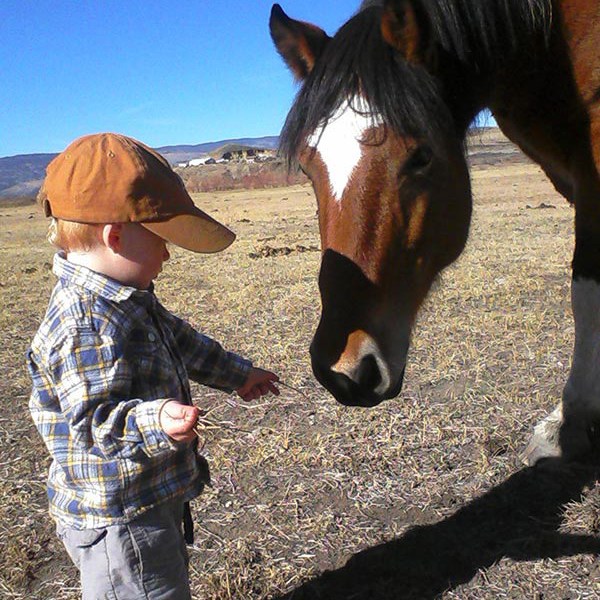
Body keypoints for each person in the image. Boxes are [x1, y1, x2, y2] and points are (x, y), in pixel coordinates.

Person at [26, 132, 280, 599]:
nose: (167, 253)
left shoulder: (128, 299)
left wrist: (238, 374)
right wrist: (155, 418)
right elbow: (94, 422)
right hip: (120, 520)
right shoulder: (84, 323)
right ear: (115, 236)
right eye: (161, 240)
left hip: (147, 496)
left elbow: (183, 342)